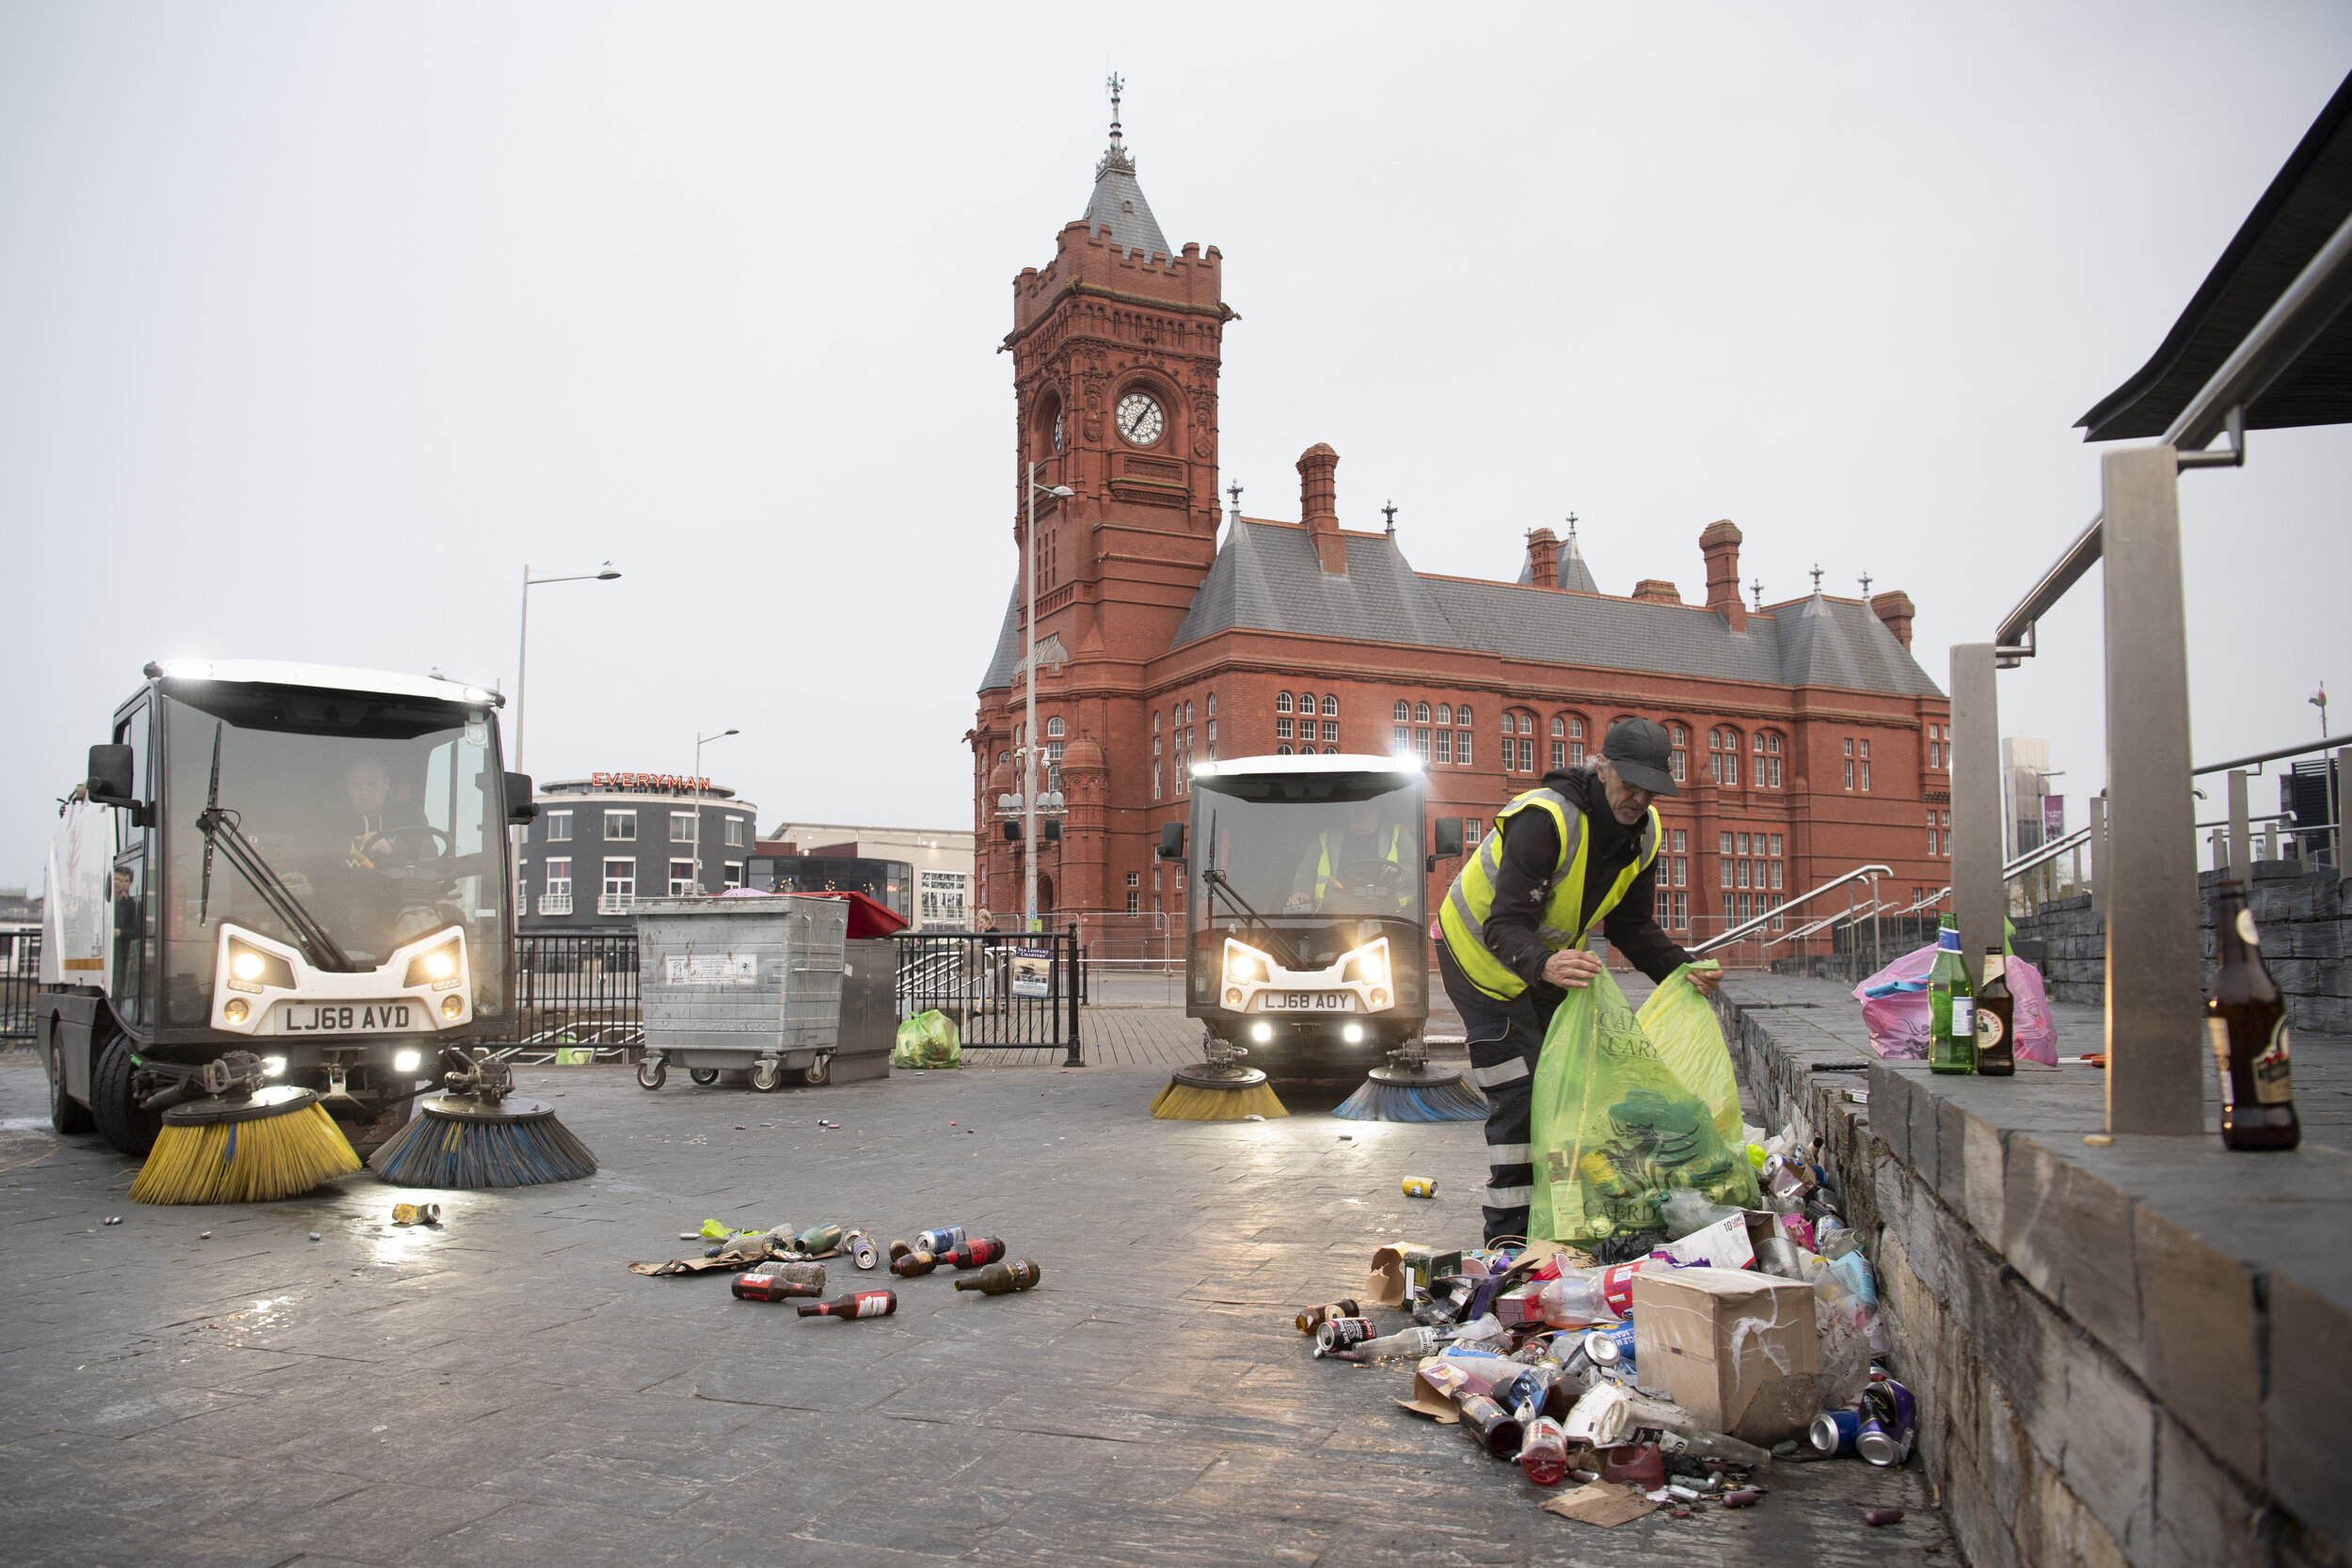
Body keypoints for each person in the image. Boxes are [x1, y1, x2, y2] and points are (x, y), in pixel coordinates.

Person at [1436, 717, 1719, 1246]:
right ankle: (1509, 1243)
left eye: (1650, 788)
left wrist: (1681, 968)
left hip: (1543, 966)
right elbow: (1503, 923)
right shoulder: (1546, 818)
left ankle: (1562, 1223)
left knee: (1566, 1092)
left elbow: (1631, 927)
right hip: (1477, 960)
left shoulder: (1645, 834)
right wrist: (1543, 964)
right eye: (1628, 783)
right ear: (1602, 767)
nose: (1638, 798)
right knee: (1519, 1095)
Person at [1285, 799, 1413, 913]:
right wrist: (1302, 892)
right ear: (1348, 812)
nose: (1364, 814)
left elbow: (1417, 865)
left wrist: (1399, 875)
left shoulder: (1396, 834)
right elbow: (1307, 871)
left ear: (1378, 810)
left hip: (1391, 916)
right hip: (1334, 919)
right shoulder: (1326, 840)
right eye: (1358, 809)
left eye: (1369, 808)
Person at [342, 759, 429, 866]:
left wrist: (391, 849)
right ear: (348, 788)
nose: (364, 792)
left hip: (398, 882)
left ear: (387, 784)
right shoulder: (333, 821)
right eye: (356, 785)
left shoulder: (410, 813)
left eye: (372, 784)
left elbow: (430, 857)